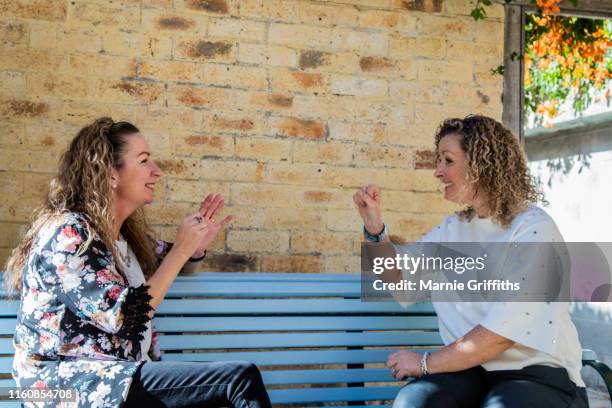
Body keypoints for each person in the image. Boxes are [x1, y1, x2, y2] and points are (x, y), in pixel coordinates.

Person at [4, 118, 272, 408]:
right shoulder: (69, 235)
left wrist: (194, 249)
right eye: (144, 161)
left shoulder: (126, 238)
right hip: (65, 385)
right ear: (110, 174)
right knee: (238, 379)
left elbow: (170, 265)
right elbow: (125, 317)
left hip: (117, 378)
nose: (157, 171)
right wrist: (181, 250)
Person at [353, 115, 588, 407]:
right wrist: (375, 229)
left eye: (448, 160)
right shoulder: (453, 230)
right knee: (415, 401)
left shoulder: (533, 229)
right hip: (471, 373)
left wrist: (425, 363)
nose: (438, 171)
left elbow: (502, 335)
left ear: (481, 165)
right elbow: (400, 281)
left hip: (537, 377)